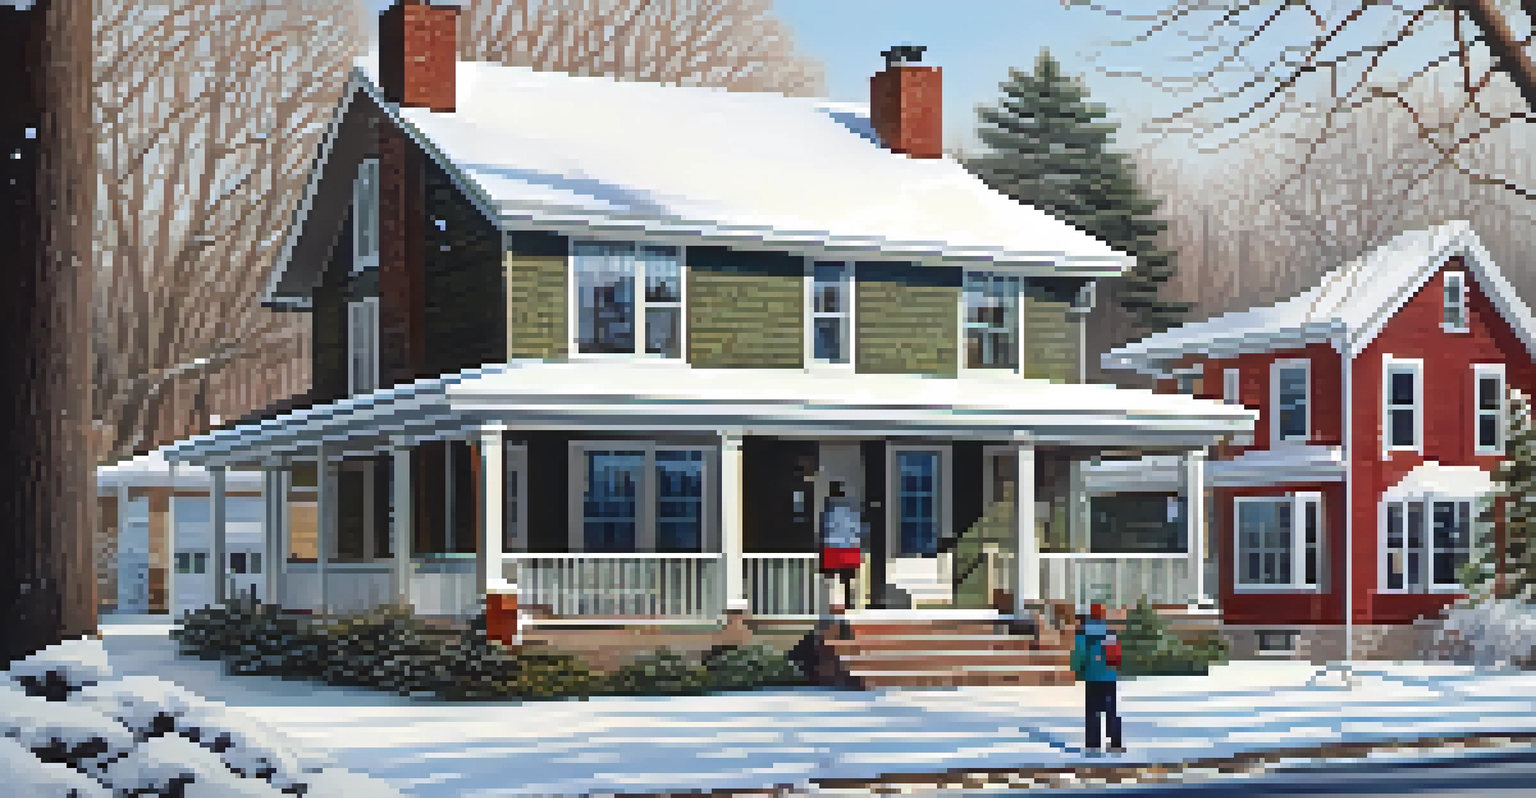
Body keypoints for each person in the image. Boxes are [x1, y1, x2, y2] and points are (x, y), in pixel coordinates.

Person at [1070, 603, 1124, 754]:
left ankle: (1093, 743)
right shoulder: (1109, 631)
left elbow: (1079, 654)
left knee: (1092, 711)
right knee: (1111, 710)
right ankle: (1115, 743)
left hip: (1092, 676)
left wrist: (1076, 669)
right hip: (1109, 676)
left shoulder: (1083, 633)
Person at [819, 482, 865, 610]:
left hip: (833, 544)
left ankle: (832, 603)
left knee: (831, 577)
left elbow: (825, 526)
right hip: (850, 544)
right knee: (847, 577)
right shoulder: (851, 506)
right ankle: (848, 602)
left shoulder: (829, 505)